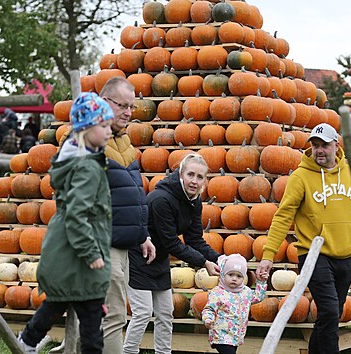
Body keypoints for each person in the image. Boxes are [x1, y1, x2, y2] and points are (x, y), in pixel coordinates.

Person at [256, 123, 351, 354]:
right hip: (314, 256)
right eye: (315, 146)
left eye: (324, 145)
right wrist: (268, 255)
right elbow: (283, 216)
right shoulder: (300, 177)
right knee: (328, 311)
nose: (319, 150)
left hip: (347, 256)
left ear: (336, 145)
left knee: (332, 314)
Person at [18, 92, 114, 354]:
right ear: (85, 129)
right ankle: (27, 341)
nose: (109, 131)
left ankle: (27, 341)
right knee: (92, 321)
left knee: (58, 304)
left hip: (67, 255)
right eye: (103, 126)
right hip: (80, 257)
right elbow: (76, 214)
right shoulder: (87, 167)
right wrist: (91, 252)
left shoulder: (78, 161)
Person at [124, 153, 221, 354]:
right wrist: (204, 263)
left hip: (159, 259)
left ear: (205, 180)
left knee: (165, 313)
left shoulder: (194, 201)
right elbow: (171, 243)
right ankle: (128, 352)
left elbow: (195, 240)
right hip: (138, 257)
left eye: (200, 177)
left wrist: (220, 258)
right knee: (142, 312)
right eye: (190, 175)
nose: (194, 181)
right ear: (180, 174)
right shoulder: (161, 199)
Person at [99, 77, 156, 354]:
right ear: (105, 102)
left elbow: (132, 193)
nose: (128, 113)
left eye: (131, 107)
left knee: (112, 315)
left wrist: (142, 233)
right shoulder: (89, 140)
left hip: (122, 242)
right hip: (101, 242)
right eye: (122, 105)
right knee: (112, 317)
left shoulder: (123, 141)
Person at [202, 254, 268, 354]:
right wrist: (208, 319)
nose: (234, 279)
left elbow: (258, 297)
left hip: (236, 336)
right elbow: (209, 309)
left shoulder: (246, 292)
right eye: (231, 274)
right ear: (223, 274)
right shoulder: (217, 292)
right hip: (221, 335)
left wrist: (262, 282)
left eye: (239, 276)